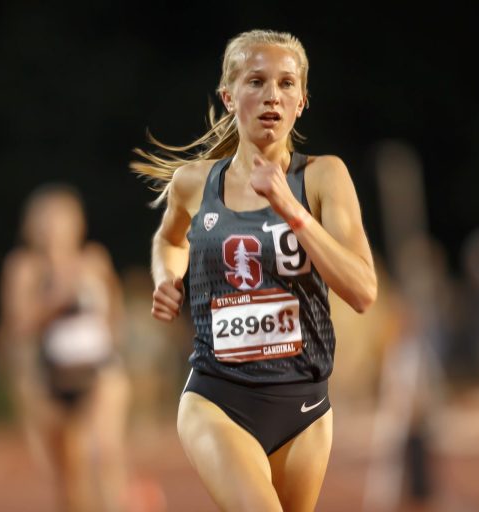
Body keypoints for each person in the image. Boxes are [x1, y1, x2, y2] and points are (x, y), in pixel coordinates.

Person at [132, 29, 377, 511]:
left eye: (287, 84)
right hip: (217, 397)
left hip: (304, 404)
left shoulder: (324, 176)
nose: (272, 96)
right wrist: (167, 276)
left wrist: (291, 209)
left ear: (303, 100)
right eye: (256, 82)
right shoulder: (194, 183)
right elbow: (169, 238)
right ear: (229, 96)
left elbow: (363, 291)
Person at [0, 184, 131, 512]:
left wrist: (112, 340)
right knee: (70, 475)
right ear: (32, 228)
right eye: (46, 222)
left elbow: (114, 307)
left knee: (105, 453)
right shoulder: (24, 267)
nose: (54, 230)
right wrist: (55, 300)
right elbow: (16, 326)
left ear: (77, 224)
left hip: (99, 371)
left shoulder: (94, 259)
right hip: (52, 378)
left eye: (62, 220)